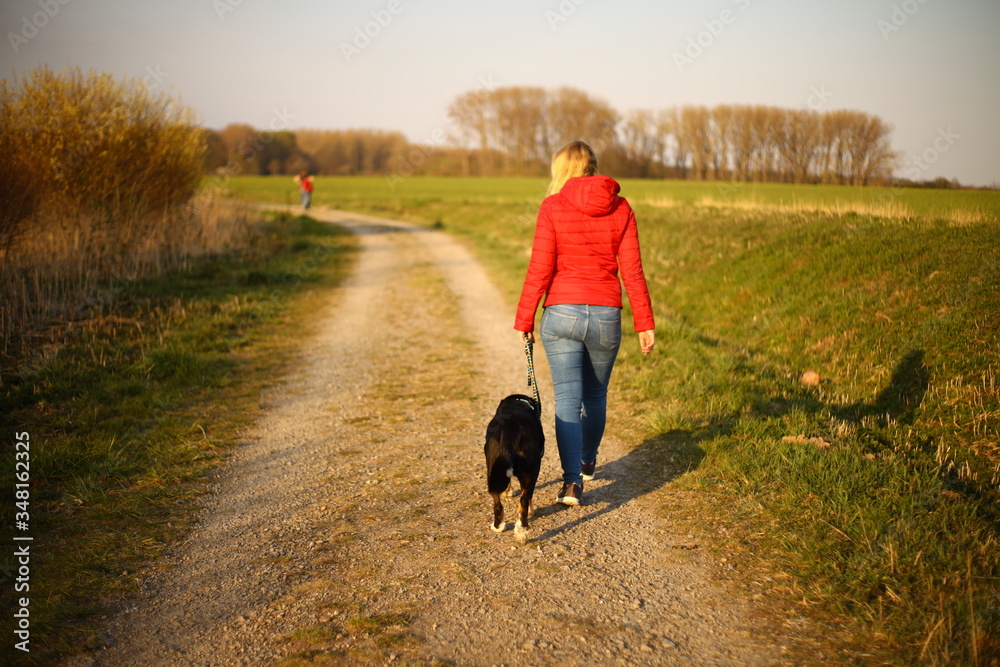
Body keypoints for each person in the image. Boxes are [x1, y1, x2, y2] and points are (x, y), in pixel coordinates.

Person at [514, 140, 655, 507]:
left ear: (561, 169)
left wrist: (525, 317)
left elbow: (540, 268)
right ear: (593, 167)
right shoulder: (621, 207)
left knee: (567, 399)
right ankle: (587, 460)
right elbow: (633, 271)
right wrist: (645, 322)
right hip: (606, 315)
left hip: (562, 313)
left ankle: (572, 483)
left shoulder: (552, 206)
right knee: (595, 396)